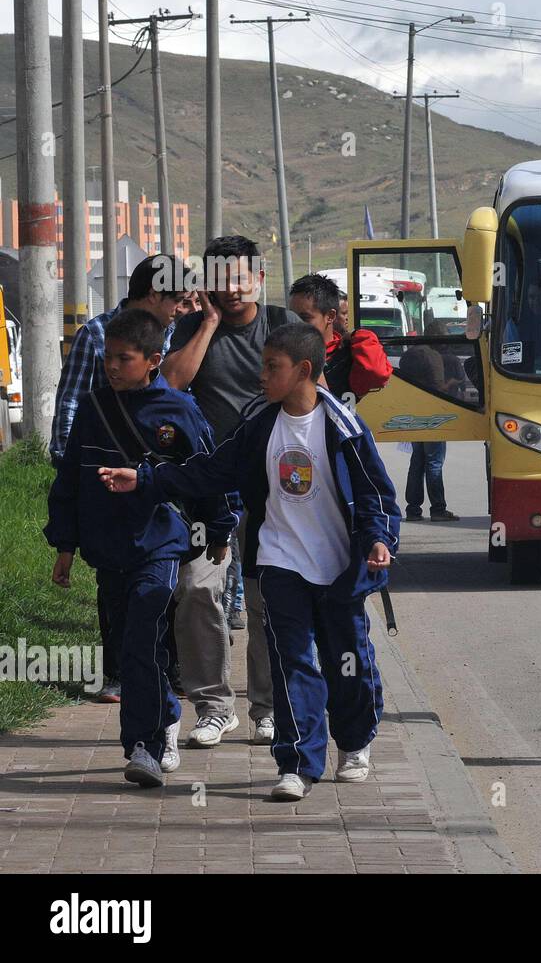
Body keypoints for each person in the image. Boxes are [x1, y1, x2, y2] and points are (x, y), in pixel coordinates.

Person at [100, 323, 401, 801]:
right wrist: (146, 479)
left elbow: (375, 494)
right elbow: (211, 470)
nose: (261, 376)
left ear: (303, 370)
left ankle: (356, 740)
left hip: (341, 569)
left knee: (347, 663)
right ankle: (297, 765)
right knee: (292, 662)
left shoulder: (343, 426)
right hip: (281, 563)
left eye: (271, 367)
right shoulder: (260, 424)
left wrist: (380, 540)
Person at [46, 309, 238, 788]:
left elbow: (207, 475)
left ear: (153, 360)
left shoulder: (179, 411)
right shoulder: (93, 409)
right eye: (108, 357)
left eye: (123, 358)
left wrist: (219, 528)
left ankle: (145, 746)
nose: (112, 366)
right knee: (131, 647)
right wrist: (64, 545)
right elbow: (69, 480)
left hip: (160, 547)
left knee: (141, 643)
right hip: (107, 551)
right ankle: (165, 716)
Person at [162, 235, 289, 749]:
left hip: (272, 487)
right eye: (222, 279)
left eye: (242, 278)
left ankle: (266, 708)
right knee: (195, 590)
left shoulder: (283, 326)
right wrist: (209, 325)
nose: (233, 289)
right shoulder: (194, 327)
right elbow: (170, 384)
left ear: (259, 277)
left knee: (264, 600)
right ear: (207, 284)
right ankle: (214, 707)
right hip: (208, 487)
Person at [50, 254, 193, 703]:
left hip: (158, 483)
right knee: (113, 578)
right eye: (178, 300)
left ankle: (162, 671)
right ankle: (117, 673)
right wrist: (68, 463)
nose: (181, 309)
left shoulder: (173, 338)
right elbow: (72, 400)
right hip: (103, 476)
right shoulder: (96, 334)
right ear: (154, 294)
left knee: (160, 580)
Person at [288, 273, 393, 401]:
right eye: (291, 316)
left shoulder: (347, 355)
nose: (296, 324)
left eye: (305, 318)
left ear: (330, 316)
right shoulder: (282, 353)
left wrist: (359, 336)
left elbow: (376, 373)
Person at [398, 316, 463, 522]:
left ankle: (413, 510)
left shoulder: (409, 355)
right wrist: (454, 381)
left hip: (413, 415)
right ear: (438, 338)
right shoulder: (433, 356)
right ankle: (438, 509)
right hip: (434, 416)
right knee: (434, 463)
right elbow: (438, 388)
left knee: (416, 462)